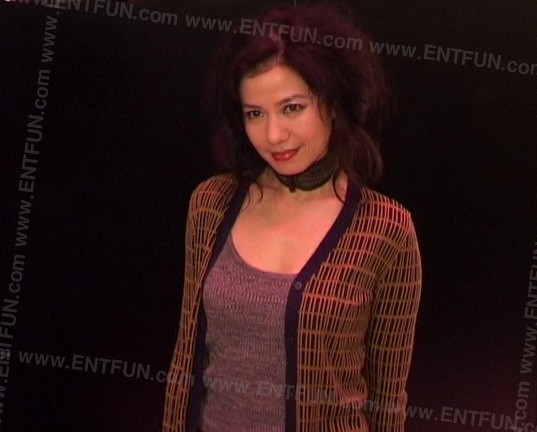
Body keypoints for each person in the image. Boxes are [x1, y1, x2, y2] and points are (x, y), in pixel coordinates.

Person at [162, 4, 422, 432]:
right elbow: (185, 360)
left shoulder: (386, 230)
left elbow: (388, 402)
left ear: (334, 104)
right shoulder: (210, 205)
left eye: (292, 108)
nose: (273, 135)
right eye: (255, 114)